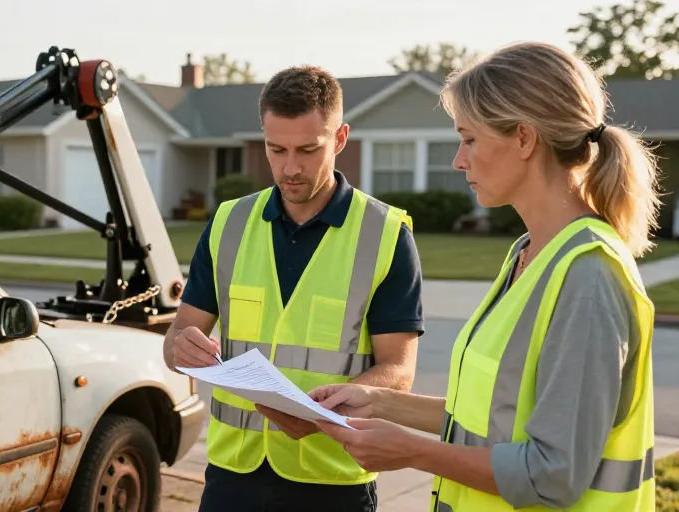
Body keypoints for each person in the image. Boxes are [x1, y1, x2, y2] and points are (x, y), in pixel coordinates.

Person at [279, 41, 661, 512]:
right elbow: (492, 419)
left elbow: (552, 474)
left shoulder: (589, 280)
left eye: (469, 138)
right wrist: (378, 402)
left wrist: (412, 451)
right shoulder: (529, 254)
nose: (460, 160)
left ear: (524, 138)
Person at [161, 64, 426, 511]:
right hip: (232, 477)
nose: (290, 167)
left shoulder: (385, 234)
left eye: (308, 149)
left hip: (334, 480)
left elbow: (398, 370)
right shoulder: (228, 223)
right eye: (275, 148)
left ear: (340, 139)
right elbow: (176, 339)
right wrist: (180, 349)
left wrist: (322, 414)